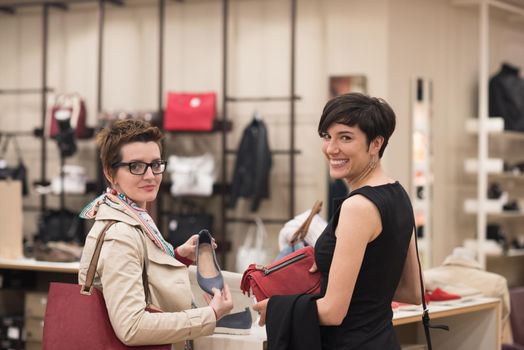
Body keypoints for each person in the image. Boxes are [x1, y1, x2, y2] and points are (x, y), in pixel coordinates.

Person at [254, 93, 423, 349]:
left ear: (376, 143)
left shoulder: (358, 207)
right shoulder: (399, 195)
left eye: (345, 137)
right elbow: (414, 291)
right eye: (327, 136)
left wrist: (276, 307)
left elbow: (333, 312)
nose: (332, 148)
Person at [78, 119, 233, 349]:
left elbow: (143, 275)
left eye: (155, 164)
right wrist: (209, 315)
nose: (150, 175)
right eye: (136, 166)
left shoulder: (132, 214)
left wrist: (178, 254)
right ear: (110, 174)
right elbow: (132, 327)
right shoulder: (121, 234)